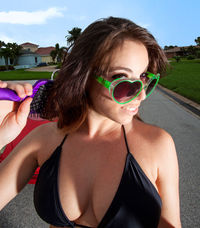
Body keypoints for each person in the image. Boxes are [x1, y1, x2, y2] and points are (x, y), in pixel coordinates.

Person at [0, 17, 181, 228]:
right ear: (84, 77)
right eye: (122, 78)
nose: (140, 95)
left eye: (143, 76)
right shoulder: (43, 140)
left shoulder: (157, 145)